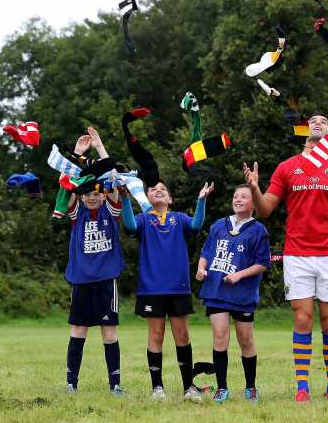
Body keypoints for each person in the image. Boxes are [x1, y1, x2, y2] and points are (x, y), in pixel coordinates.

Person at [242, 113, 328, 403]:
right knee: (303, 318)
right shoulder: (288, 167)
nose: (318, 123)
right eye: (313, 121)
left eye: (324, 121)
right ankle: (302, 387)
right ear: (305, 130)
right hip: (297, 254)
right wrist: (254, 188)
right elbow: (265, 209)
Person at [120, 179, 214, 402]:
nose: (159, 191)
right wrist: (124, 198)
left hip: (178, 287)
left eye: (163, 189)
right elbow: (129, 226)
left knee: (182, 335)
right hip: (151, 288)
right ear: (147, 198)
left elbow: (196, 226)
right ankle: (157, 388)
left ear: (170, 199)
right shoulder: (143, 219)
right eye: (153, 189)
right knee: (156, 335)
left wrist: (201, 201)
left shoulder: (179, 218)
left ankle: (188, 387)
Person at [195, 184, 272, 403]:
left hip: (242, 294)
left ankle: (250, 387)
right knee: (220, 337)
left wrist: (239, 275)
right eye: (235, 196)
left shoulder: (258, 230)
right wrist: (201, 268)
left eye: (244, 196)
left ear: (253, 203)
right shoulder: (219, 225)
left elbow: (262, 264)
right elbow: (206, 253)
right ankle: (222, 388)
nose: (238, 199)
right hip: (217, 291)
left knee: (245, 339)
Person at [63, 128, 125, 396]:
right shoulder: (77, 214)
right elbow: (69, 184)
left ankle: (115, 385)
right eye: (86, 193)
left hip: (106, 280)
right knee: (78, 331)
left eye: (95, 193)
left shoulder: (110, 212)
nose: (91, 196)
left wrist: (100, 148)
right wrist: (77, 155)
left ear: (103, 195)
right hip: (81, 280)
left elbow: (113, 177)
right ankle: (71, 383)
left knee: (108, 333)